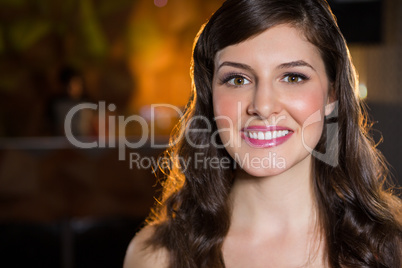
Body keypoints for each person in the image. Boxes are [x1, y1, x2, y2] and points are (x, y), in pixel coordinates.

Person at [124, 0, 402, 267]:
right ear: (210, 98)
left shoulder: (393, 247)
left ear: (332, 94)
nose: (263, 106)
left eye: (293, 77)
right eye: (237, 79)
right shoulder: (155, 257)